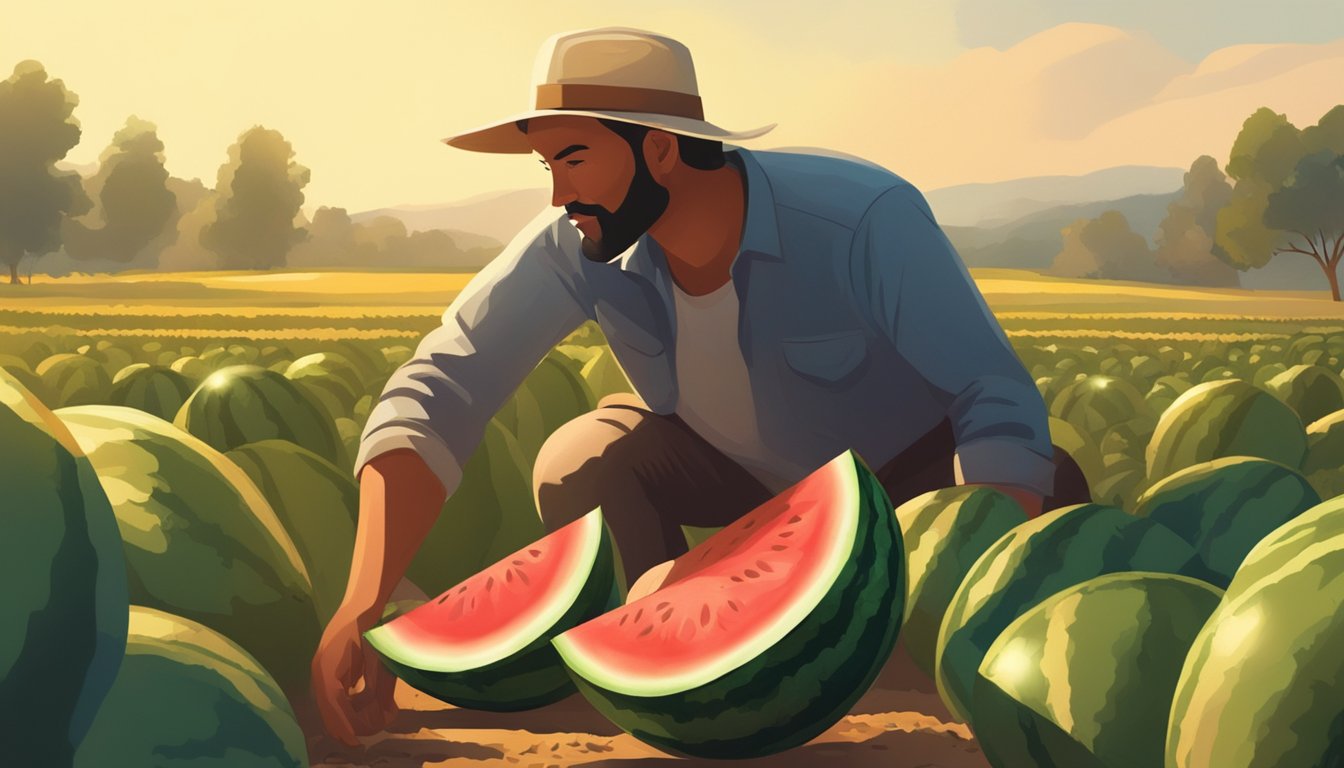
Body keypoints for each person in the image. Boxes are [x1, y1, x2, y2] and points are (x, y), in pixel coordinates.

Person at [311, 25, 1092, 748]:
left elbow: (992, 394)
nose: (557, 195)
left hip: (902, 482)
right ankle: (661, 655)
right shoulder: (574, 244)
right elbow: (444, 382)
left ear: (658, 151)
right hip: (740, 481)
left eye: (574, 160)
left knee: (1039, 491)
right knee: (576, 460)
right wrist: (365, 599)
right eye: (547, 167)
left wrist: (973, 561)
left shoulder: (864, 219)